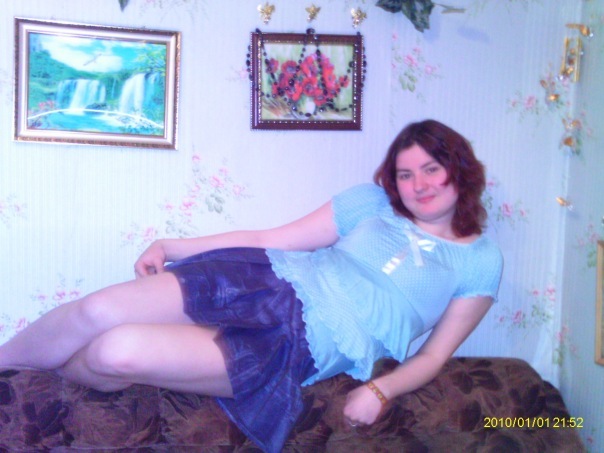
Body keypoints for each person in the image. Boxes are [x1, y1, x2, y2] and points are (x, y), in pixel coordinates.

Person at [0, 119, 503, 453]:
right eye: (406, 174)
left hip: (301, 343)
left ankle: (52, 370)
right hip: (264, 277)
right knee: (96, 313)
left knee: (115, 351)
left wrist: (380, 388)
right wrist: (172, 245)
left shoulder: (480, 261)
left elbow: (434, 355)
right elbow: (270, 238)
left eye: (431, 169)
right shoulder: (370, 204)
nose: (419, 185)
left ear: (458, 169)